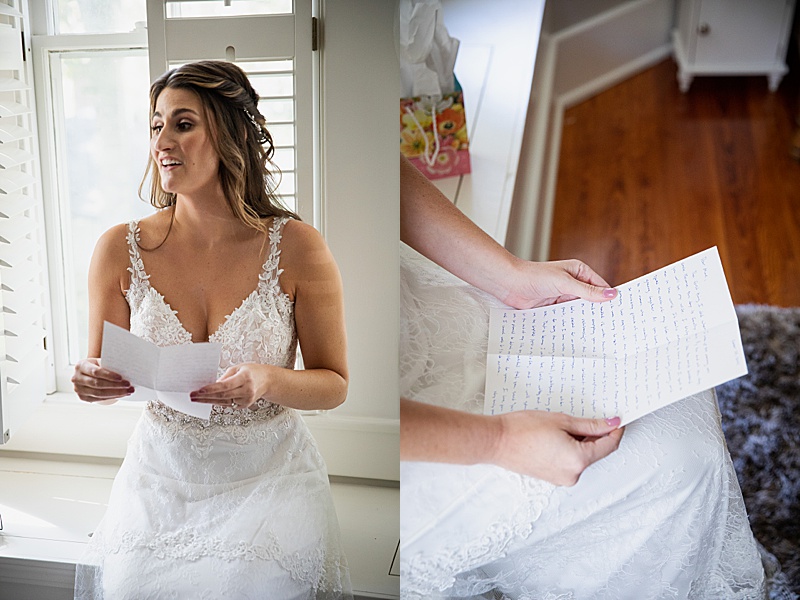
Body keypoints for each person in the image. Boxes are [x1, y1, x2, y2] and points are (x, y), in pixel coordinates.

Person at [398, 155, 766, 598]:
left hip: (420, 317)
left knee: (682, 401)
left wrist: (510, 276)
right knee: (679, 461)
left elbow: (390, 175)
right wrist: (501, 440)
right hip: (413, 445)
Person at [71, 60, 351, 600]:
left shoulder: (298, 246)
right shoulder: (117, 249)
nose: (162, 142)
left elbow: (335, 384)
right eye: (157, 126)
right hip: (158, 482)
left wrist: (267, 380)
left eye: (183, 124)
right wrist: (89, 378)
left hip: (270, 478)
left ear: (230, 134)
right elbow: (101, 367)